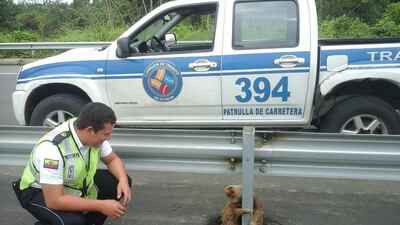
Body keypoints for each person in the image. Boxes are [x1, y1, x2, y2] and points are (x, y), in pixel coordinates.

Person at [12, 102, 132, 225]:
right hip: (39, 191)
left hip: (71, 185)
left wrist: (123, 179)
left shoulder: (87, 130)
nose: (109, 137)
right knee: (73, 222)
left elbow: (112, 159)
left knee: (119, 181)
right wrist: (102, 205)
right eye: (106, 134)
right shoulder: (52, 150)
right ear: (90, 130)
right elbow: (54, 200)